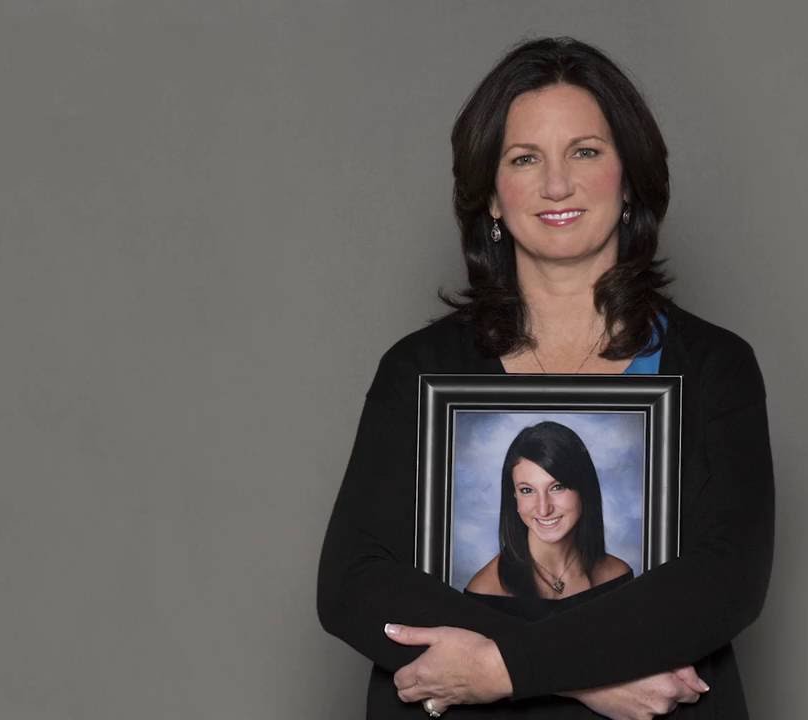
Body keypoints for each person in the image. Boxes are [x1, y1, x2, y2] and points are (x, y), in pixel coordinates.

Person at [317, 36, 774, 719]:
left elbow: (727, 581)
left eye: (585, 152)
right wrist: (578, 674)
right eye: (524, 158)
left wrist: (507, 666)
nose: (556, 185)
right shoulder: (417, 371)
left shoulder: (715, 368)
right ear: (491, 197)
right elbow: (352, 584)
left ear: (630, 179)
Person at [465, 421, 632, 600]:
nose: (544, 509)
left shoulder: (618, 578)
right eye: (527, 490)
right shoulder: (485, 591)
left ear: (584, 489)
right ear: (514, 496)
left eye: (557, 487)